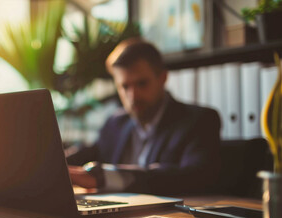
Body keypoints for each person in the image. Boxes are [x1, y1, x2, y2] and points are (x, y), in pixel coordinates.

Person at [67, 38, 221, 195]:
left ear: (162, 78)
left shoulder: (199, 121)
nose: (133, 96)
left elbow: (194, 178)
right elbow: (88, 153)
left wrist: (103, 177)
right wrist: (53, 163)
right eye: (125, 87)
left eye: (142, 84)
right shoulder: (116, 123)